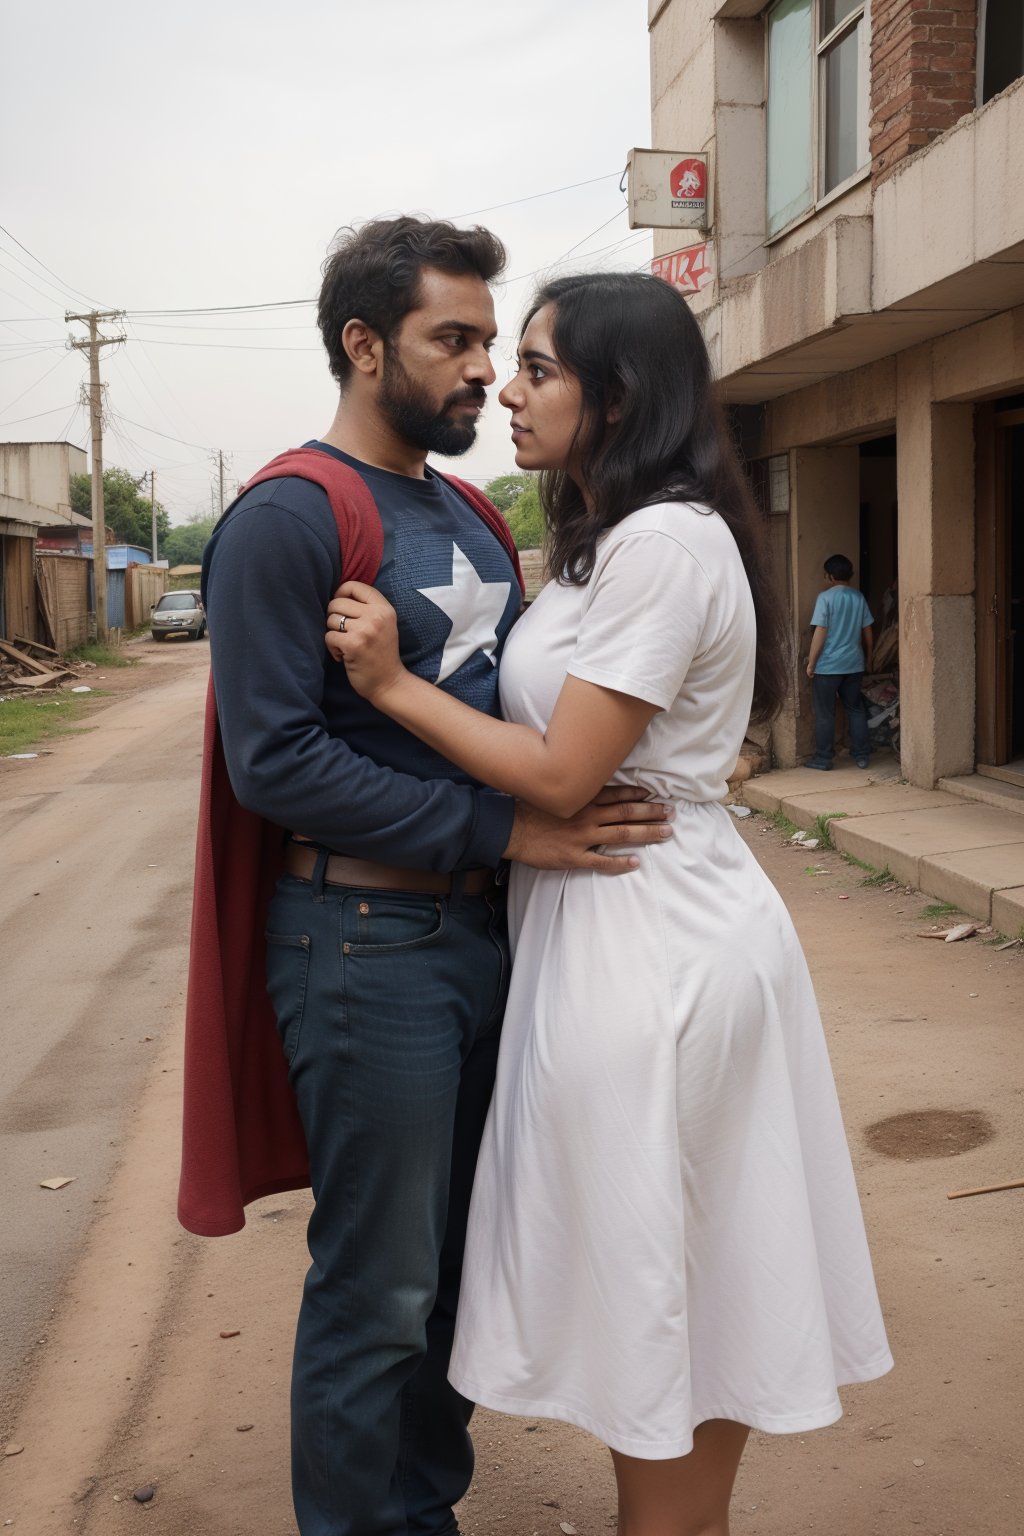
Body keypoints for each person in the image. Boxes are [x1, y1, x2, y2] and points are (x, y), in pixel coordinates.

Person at [326, 271, 893, 1536]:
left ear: (619, 394)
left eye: (535, 367)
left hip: (658, 951)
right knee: (666, 1289)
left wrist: (387, 685)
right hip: (615, 929)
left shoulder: (664, 542)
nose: (504, 390)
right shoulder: (607, 543)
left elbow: (567, 773)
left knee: (677, 1291)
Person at [185, 218, 672, 1536]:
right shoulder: (289, 518)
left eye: (490, 345)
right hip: (361, 945)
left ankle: (422, 1509)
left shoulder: (464, 510)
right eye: (453, 340)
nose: (482, 374)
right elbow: (273, 765)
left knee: (463, 1275)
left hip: (487, 946)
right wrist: (503, 836)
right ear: (363, 344)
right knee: (379, 1286)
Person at [805, 554, 875, 770]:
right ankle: (862, 755)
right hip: (854, 664)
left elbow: (821, 631)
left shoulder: (825, 598)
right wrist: (869, 657)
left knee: (826, 712)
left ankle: (824, 758)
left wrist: (811, 663)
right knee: (855, 709)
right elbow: (868, 631)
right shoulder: (858, 597)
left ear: (830, 576)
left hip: (828, 666)